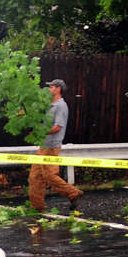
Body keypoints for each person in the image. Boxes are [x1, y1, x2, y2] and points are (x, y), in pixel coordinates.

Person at [29, 78, 84, 213]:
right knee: (34, 177)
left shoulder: (61, 106)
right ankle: (37, 207)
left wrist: (41, 131)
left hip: (52, 146)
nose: (49, 89)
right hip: (43, 145)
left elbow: (57, 127)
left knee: (49, 175)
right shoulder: (49, 105)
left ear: (58, 89)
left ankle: (73, 193)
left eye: (51, 87)